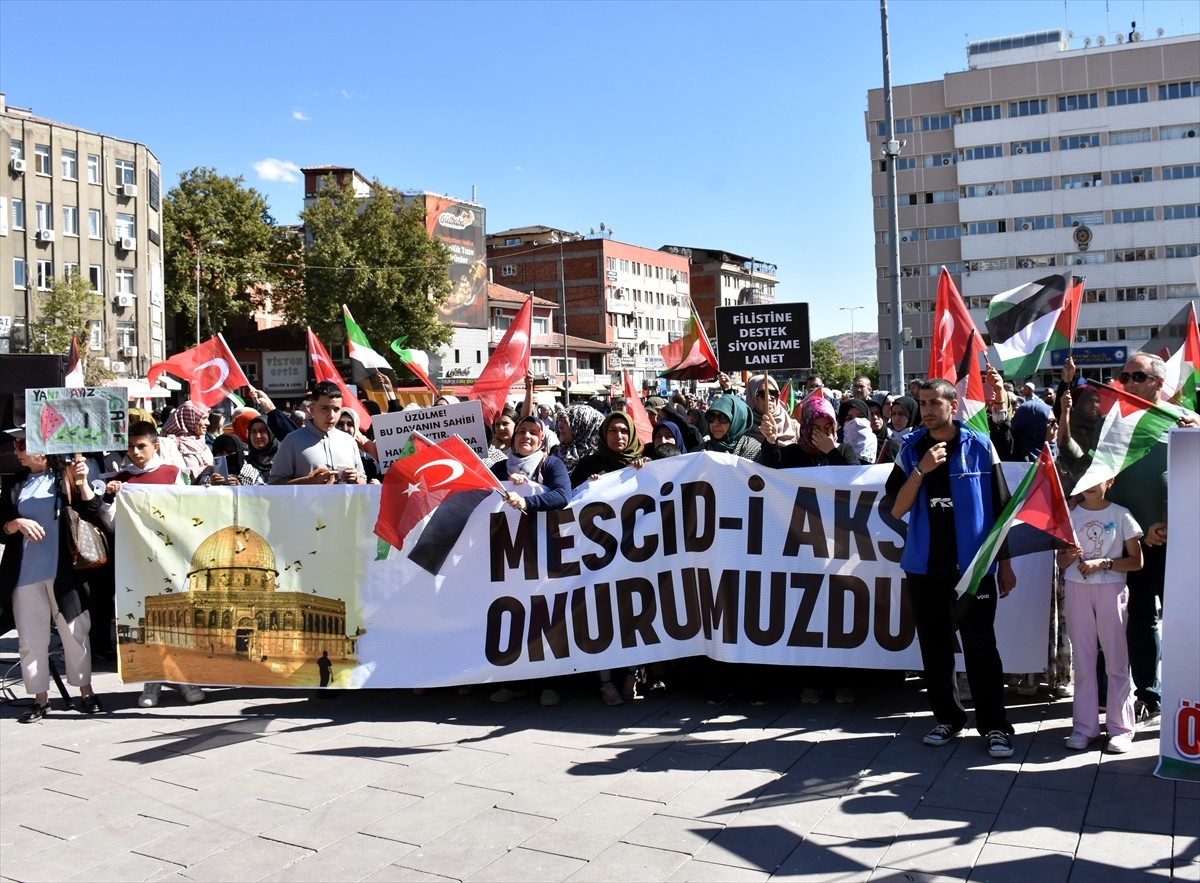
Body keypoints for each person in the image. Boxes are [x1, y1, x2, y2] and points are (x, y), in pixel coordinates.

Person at [886, 378, 1017, 759]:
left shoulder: (980, 445)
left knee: (981, 649)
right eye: (922, 402)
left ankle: (995, 726)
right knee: (935, 649)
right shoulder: (911, 448)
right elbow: (896, 509)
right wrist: (921, 470)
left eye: (934, 403)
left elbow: (1003, 512)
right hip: (924, 568)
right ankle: (948, 718)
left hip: (974, 569)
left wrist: (1005, 565)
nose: (926, 410)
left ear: (953, 405)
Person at [1107, 353, 1200, 722]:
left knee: (1182, 620)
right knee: (1140, 619)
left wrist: (1166, 521)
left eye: (1136, 377)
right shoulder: (1114, 421)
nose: (1127, 383)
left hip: (1175, 539)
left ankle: (1187, 692)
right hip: (1129, 541)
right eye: (1124, 376)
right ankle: (1149, 694)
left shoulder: (1185, 421)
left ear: (1159, 383)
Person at [96, 422, 207, 708]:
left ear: (155, 445)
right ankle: (152, 681)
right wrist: (109, 498)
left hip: (172, 558)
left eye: (141, 446)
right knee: (147, 619)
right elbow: (111, 523)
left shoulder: (173, 474)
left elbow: (188, 513)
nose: (135, 452)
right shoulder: (122, 480)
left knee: (178, 618)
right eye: (130, 447)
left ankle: (186, 679)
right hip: (137, 559)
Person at [1, 431, 105, 721]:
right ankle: (40, 699)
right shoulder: (14, 482)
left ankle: (86, 692)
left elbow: (92, 511)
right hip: (24, 573)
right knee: (30, 640)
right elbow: (1, 528)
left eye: (23, 444)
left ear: (43, 447)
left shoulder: (66, 475)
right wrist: (15, 524)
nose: (17, 451)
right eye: (15, 445)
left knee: (75, 634)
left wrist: (83, 482)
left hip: (65, 573)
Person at [487, 416, 574, 707]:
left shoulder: (550, 465)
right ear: (512, 438)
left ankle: (550, 682)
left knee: (545, 613)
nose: (526, 436)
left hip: (545, 549)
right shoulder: (500, 468)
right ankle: (517, 682)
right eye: (521, 431)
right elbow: (482, 498)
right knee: (515, 612)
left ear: (541, 439)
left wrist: (529, 497)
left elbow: (562, 495)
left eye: (533, 432)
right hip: (509, 552)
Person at [1057, 477, 1143, 753]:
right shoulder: (1070, 515)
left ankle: (1121, 729)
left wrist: (1104, 563)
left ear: (1111, 481)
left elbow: (1137, 561)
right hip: (1076, 588)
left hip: (1112, 589)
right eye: (1086, 479)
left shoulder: (1121, 515)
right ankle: (1084, 727)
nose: (1091, 485)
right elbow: (1060, 559)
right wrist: (1070, 556)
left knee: (1116, 660)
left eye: (1098, 479)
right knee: (1083, 661)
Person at [268, 382, 365, 485]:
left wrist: (356, 478)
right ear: (312, 409)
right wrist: (310, 481)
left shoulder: (349, 441)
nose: (331, 415)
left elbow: (363, 481)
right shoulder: (292, 441)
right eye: (325, 408)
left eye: (336, 409)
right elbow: (274, 484)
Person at [161, 401, 214, 483]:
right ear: (189, 419)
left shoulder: (201, 441)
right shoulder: (171, 443)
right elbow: (174, 474)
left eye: (208, 418)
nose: (208, 423)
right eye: (203, 418)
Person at [702, 395, 764, 463]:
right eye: (711, 417)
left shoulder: (757, 452)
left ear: (737, 421)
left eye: (723, 417)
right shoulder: (700, 452)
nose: (715, 424)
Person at [551, 403, 604, 473]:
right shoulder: (555, 450)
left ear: (583, 428)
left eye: (566, 422)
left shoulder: (598, 462)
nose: (560, 426)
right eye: (560, 420)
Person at [746, 375, 797, 447]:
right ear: (751, 397)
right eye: (762, 394)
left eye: (773, 393)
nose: (768, 398)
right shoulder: (743, 427)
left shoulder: (794, 426)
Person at [243, 415, 279, 484]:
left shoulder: (283, 459)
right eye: (253, 432)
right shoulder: (244, 462)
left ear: (271, 433)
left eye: (262, 431)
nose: (258, 436)